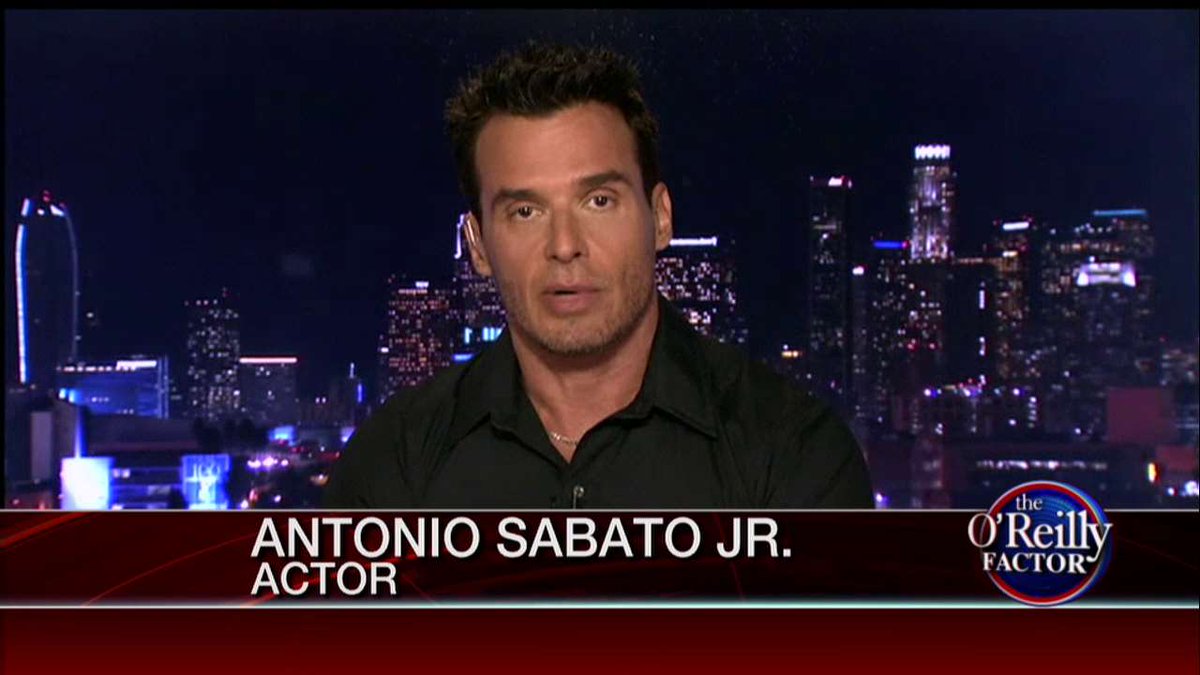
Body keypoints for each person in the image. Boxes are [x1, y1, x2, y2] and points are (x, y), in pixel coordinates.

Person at [324, 42, 873, 509]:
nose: (565, 246)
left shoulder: (792, 454)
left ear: (660, 218)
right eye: (525, 211)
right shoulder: (393, 463)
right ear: (479, 245)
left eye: (599, 201)